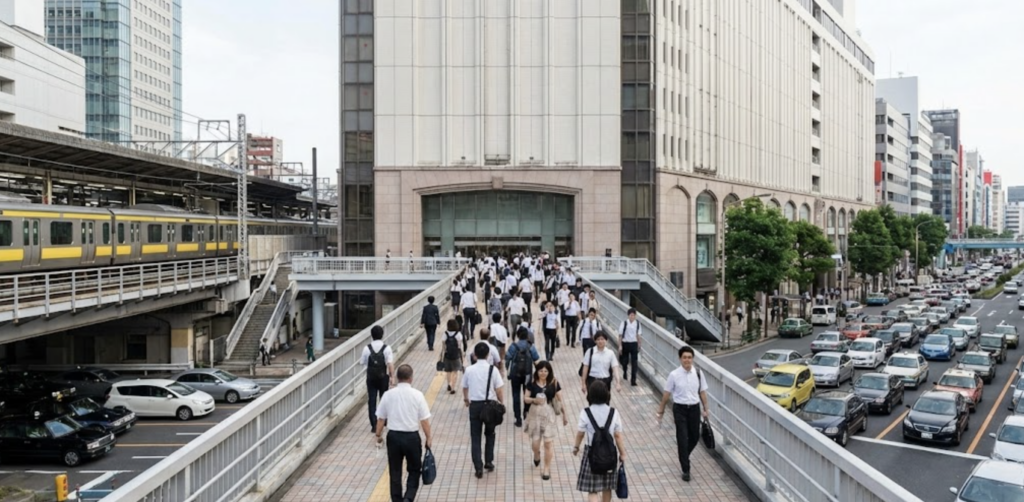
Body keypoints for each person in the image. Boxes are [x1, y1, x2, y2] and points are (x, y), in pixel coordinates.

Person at [375, 364, 432, 502]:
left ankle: (396, 499)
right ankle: (409, 497)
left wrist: (378, 435)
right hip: (412, 437)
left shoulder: (388, 395)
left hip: (393, 436)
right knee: (414, 469)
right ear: (411, 378)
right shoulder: (418, 395)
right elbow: (424, 420)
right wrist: (428, 437)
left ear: (396, 378)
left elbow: (381, 418)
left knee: (395, 471)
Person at [656, 346, 709, 482]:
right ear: (680, 359)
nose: (687, 360)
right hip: (679, 409)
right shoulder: (674, 375)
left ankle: (684, 455)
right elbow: (666, 394)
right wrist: (660, 410)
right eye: (684, 357)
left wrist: (706, 408)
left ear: (693, 359)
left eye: (689, 357)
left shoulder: (698, 373)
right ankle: (686, 469)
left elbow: (702, 391)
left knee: (695, 436)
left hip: (694, 408)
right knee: (682, 438)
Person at [573, 380, 626, 501]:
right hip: (609, 452)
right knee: (607, 487)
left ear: (590, 395)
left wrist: (576, 447)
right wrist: (622, 453)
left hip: (591, 453)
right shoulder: (614, 412)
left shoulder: (586, 412)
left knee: (593, 489)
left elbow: (580, 433)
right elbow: (617, 435)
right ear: (606, 394)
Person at [463, 343, 505, 479]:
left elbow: (464, 387)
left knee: (475, 436)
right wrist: (501, 402)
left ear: (475, 354)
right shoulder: (493, 370)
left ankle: (478, 467)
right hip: (490, 406)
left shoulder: (469, 370)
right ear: (488, 355)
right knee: (490, 434)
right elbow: (499, 389)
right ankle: (488, 461)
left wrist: (466, 399)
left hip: (475, 405)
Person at [525, 360, 567, 481]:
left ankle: (546, 468)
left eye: (546, 371)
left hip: (549, 415)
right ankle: (536, 454)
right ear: (537, 371)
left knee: (548, 443)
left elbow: (560, 399)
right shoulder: (532, 383)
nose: (543, 373)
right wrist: (534, 400)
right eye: (541, 371)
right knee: (535, 443)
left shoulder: (553, 382)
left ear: (549, 372)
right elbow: (525, 398)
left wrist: (565, 415)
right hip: (534, 415)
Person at [361, 325, 395, 432]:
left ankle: (374, 425)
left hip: (371, 377)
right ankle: (383, 421)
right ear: (382, 335)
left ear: (371, 335)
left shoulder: (367, 348)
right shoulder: (387, 348)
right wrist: (392, 377)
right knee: (383, 399)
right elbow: (390, 364)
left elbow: (363, 362)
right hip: (383, 377)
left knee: (372, 400)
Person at [506, 327, 540, 427]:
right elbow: (537, 361)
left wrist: (508, 369)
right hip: (528, 375)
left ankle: (518, 419)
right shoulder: (531, 346)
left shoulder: (513, 346)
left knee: (516, 395)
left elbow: (507, 359)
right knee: (527, 395)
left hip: (515, 375)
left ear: (517, 335)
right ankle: (526, 413)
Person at [580, 331, 621, 395]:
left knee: (605, 402)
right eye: (598, 339)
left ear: (606, 340)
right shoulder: (590, 352)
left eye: (602, 339)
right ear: (595, 341)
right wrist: (583, 383)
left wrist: (618, 382)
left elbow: (615, 368)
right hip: (592, 381)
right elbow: (585, 368)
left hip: (605, 381)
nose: (600, 341)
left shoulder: (610, 353)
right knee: (592, 401)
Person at [440, 319, 464, 395]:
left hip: (447, 355)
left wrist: (443, 353)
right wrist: (462, 355)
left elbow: (443, 345)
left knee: (448, 371)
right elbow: (460, 346)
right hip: (456, 355)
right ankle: (453, 387)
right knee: (455, 371)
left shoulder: (445, 334)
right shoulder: (458, 334)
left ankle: (449, 384)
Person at [619, 308, 642, 386]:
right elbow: (620, 335)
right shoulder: (624, 323)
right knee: (624, 361)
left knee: (634, 363)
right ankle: (625, 371)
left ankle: (633, 380)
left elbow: (638, 335)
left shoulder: (637, 324)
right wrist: (620, 346)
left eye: (633, 315)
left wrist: (639, 344)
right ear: (628, 315)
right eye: (631, 315)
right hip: (625, 343)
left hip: (634, 344)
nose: (632, 317)